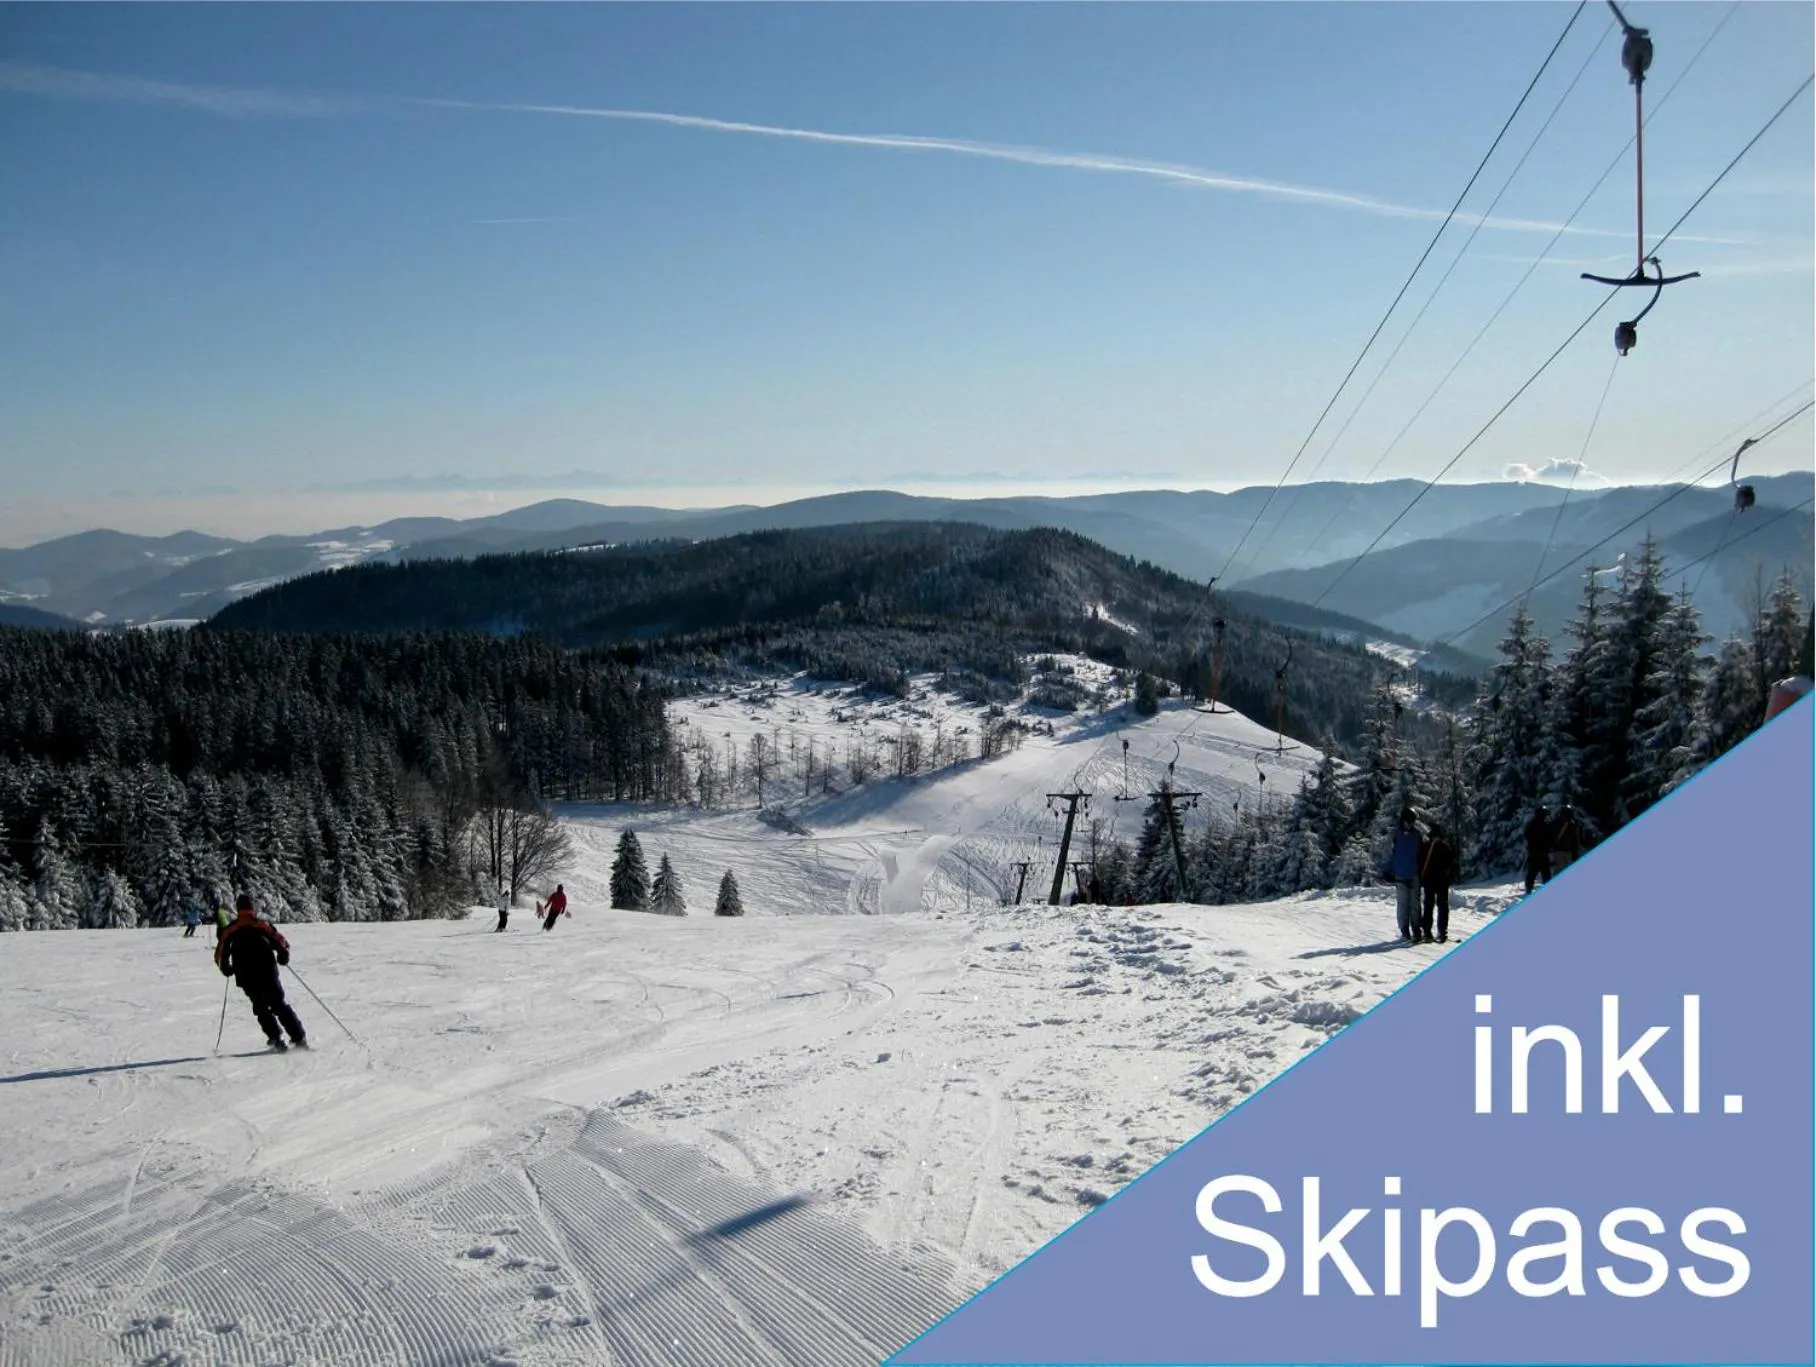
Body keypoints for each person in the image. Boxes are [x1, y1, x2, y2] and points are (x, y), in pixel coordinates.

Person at [215, 893, 307, 1051]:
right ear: (251, 907)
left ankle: (275, 1038)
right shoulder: (261, 924)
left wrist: (225, 967)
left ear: (238, 909)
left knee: (260, 1006)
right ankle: (298, 1037)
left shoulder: (231, 928)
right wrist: (283, 954)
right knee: (278, 1003)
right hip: (267, 970)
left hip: (245, 973)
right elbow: (280, 940)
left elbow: (221, 951)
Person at [1382, 807, 1423, 943]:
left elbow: (1421, 854)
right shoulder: (1395, 835)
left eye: (1412, 822)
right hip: (1400, 874)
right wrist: (1387, 870)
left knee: (1415, 904)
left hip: (1414, 873)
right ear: (1403, 820)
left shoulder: (1417, 835)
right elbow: (1389, 853)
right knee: (1403, 904)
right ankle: (1404, 929)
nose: (1410, 824)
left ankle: (1416, 929)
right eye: (1408, 821)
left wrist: (1422, 871)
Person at [1418, 822, 1458, 945]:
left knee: (1435, 906)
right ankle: (1434, 932)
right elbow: (1451, 865)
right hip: (1436, 881)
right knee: (1435, 906)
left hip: (1436, 881)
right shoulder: (1438, 847)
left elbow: (1450, 865)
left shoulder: (1432, 847)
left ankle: (1435, 932)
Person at [1522, 805, 1553, 894]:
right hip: (1535, 851)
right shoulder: (1533, 824)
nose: (1544, 815)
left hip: (1542, 850)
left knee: (1544, 871)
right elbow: (1527, 835)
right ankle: (1529, 887)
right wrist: (1535, 842)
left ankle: (1533, 887)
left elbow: (1549, 836)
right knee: (1534, 870)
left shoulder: (1544, 824)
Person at [1550, 805, 1584, 877]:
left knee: (1561, 868)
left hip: (1565, 849)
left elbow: (1574, 837)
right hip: (1562, 849)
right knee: (1561, 868)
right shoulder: (1570, 823)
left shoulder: (1571, 823)